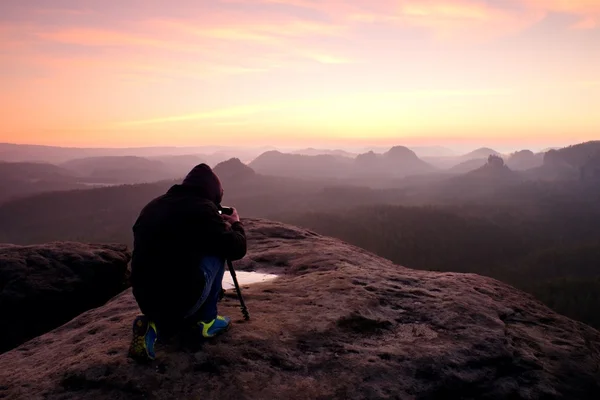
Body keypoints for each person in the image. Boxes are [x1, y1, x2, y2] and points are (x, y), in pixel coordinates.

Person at [127, 163, 247, 362]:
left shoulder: (154, 205)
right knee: (218, 251)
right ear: (213, 192)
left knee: (173, 262)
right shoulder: (202, 210)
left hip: (146, 300)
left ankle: (152, 324)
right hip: (181, 301)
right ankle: (207, 321)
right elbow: (236, 249)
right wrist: (236, 224)